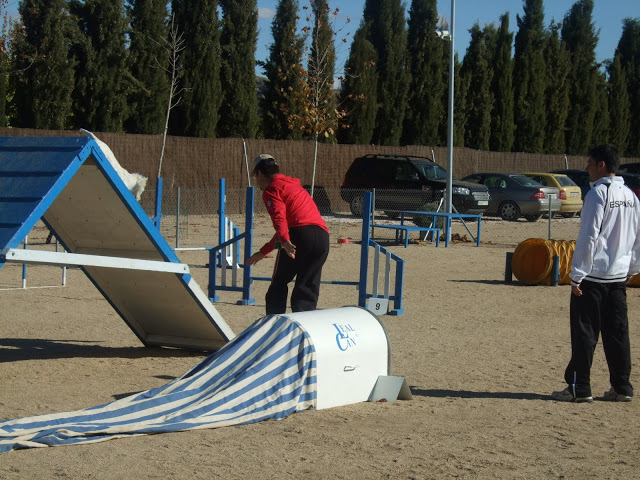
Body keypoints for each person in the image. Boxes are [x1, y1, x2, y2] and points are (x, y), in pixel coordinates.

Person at [552, 144, 640, 403]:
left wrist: (577, 274)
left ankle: (580, 388)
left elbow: (588, 237)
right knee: (618, 333)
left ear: (602, 165)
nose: (586, 167)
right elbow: (637, 237)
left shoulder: (598, 194)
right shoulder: (631, 196)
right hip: (618, 276)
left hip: (594, 276)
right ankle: (622, 387)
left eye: (590, 162)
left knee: (584, 333)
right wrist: (632, 269)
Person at [246, 154, 330, 314]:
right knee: (307, 287)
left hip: (300, 235)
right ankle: (304, 326)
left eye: (255, 177)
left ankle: (275, 324)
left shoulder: (272, 189)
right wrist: (264, 252)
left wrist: (285, 241)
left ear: (259, 174)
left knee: (278, 284)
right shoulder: (295, 187)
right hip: (322, 237)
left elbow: (280, 219)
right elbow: (289, 225)